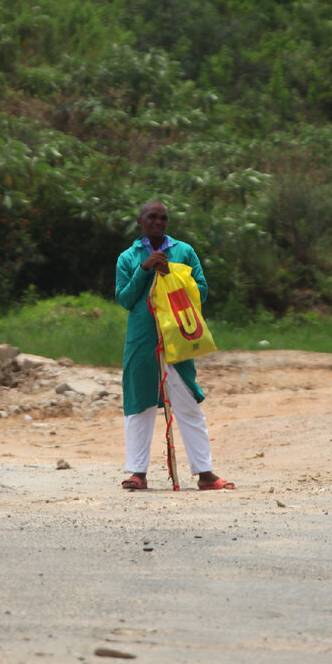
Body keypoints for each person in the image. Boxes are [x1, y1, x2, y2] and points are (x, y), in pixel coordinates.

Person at [115, 199, 234, 491]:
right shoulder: (128, 257)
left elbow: (201, 292)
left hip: (178, 339)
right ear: (140, 220)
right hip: (142, 341)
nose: (158, 222)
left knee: (187, 404)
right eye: (152, 217)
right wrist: (144, 269)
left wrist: (173, 276)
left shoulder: (184, 252)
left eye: (163, 218)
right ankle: (138, 473)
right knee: (139, 405)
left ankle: (205, 473)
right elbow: (125, 299)